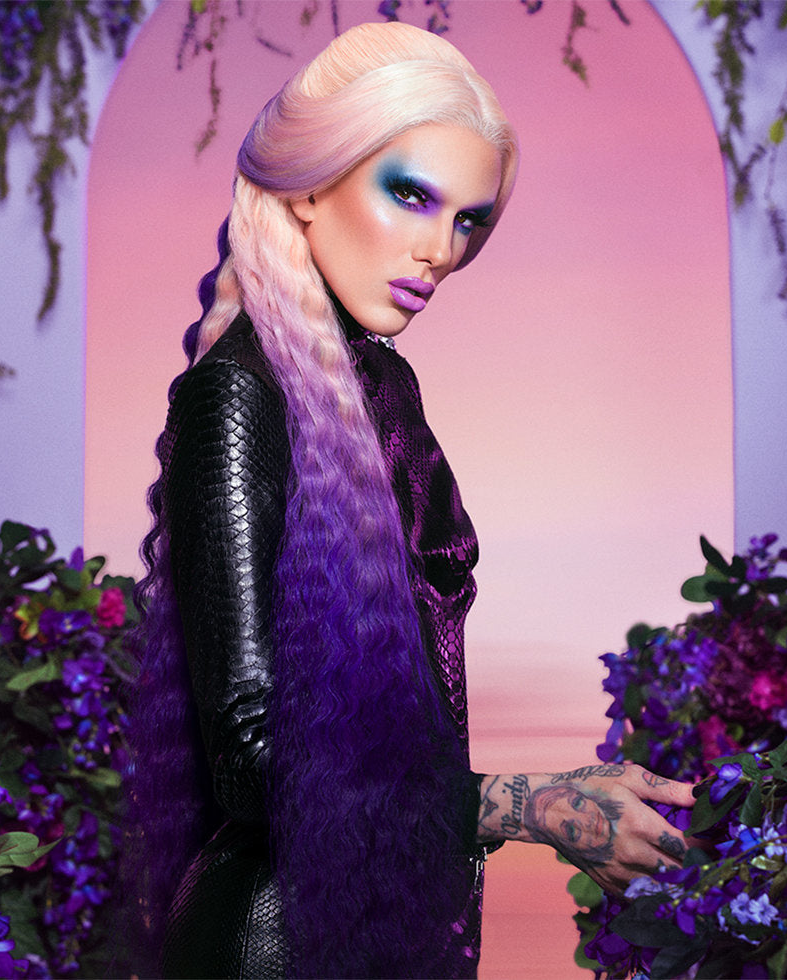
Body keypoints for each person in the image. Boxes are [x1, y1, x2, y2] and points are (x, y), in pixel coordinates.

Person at [124, 20, 695, 980]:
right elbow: (252, 761)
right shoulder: (237, 398)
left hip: (372, 930)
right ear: (310, 185)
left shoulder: (377, 390)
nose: (439, 250)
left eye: (469, 220)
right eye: (412, 195)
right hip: (273, 947)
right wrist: (525, 804)